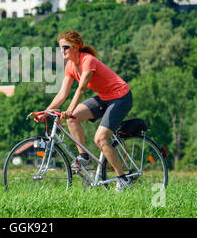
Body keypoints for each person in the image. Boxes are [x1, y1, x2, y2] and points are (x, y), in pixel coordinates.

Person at [34, 30, 134, 191]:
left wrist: (69, 109)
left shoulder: (88, 60)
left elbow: (80, 90)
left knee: (100, 139)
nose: (63, 51)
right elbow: (62, 94)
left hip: (121, 97)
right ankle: (84, 158)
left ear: (76, 46)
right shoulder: (70, 66)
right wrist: (45, 112)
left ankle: (123, 180)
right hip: (104, 97)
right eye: (60, 48)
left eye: (66, 47)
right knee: (72, 118)